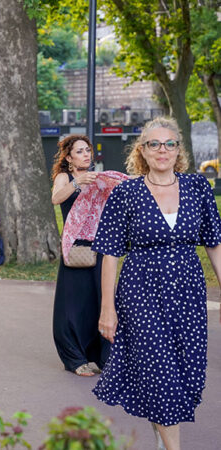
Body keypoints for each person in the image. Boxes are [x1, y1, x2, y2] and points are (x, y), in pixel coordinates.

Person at [92, 117, 221, 450]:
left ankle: (161, 438)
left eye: (169, 144)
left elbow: (214, 244)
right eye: (154, 144)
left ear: (178, 150)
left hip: (189, 294)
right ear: (142, 151)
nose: (162, 150)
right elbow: (110, 254)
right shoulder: (126, 193)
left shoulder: (197, 187)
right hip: (141, 293)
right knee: (159, 371)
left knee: (185, 371)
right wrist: (107, 308)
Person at [48, 135, 110, 378]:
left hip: (99, 246)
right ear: (68, 157)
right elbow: (56, 198)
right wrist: (78, 182)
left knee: (99, 302)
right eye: (80, 151)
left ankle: (102, 357)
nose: (86, 155)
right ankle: (74, 358)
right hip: (75, 248)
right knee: (72, 305)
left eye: (88, 150)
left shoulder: (98, 178)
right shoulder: (65, 177)